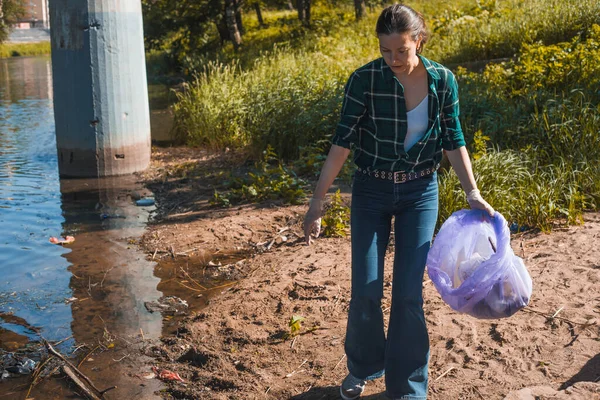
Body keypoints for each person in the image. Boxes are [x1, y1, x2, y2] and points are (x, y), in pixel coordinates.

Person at [302, 4, 494, 400]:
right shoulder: (364, 80)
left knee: (409, 294)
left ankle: (407, 386)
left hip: (420, 194)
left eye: (401, 51)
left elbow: (453, 139)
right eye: (385, 51)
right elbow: (341, 143)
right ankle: (364, 367)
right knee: (366, 290)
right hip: (371, 192)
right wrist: (317, 203)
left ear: (418, 40)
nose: (392, 60)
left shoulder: (443, 80)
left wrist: (472, 191)